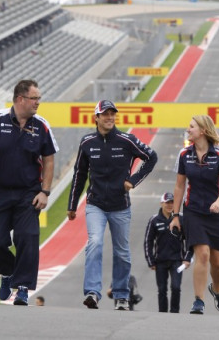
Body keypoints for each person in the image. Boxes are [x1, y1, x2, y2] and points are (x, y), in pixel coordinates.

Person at [68, 100, 158, 311]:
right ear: (96, 118)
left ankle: (121, 295)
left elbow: (151, 157)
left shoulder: (127, 140)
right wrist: (72, 205)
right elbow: (79, 175)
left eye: (112, 114)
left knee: (122, 252)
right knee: (95, 243)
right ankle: (92, 292)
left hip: (120, 206)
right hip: (95, 205)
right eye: (105, 114)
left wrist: (133, 180)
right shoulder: (87, 142)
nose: (109, 117)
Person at [0, 79, 59, 306]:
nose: (38, 103)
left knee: (27, 238)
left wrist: (45, 191)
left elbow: (49, 160)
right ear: (20, 99)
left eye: (39, 98)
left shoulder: (41, 125)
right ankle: (7, 272)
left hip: (28, 193)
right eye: (35, 98)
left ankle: (22, 289)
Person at [169, 115, 219, 315]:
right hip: (193, 211)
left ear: (202, 131)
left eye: (191, 127)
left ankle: (217, 289)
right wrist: (175, 215)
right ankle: (199, 301)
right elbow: (179, 186)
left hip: (216, 213)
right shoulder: (184, 154)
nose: (188, 130)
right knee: (202, 254)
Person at [144, 192, 192, 313]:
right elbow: (147, 241)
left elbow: (190, 240)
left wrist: (187, 258)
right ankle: (162, 313)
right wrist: (150, 261)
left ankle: (174, 312)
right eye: (167, 203)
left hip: (177, 260)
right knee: (162, 289)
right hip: (160, 261)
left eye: (172, 202)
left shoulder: (181, 219)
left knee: (176, 287)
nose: (170, 205)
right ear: (162, 203)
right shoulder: (154, 220)